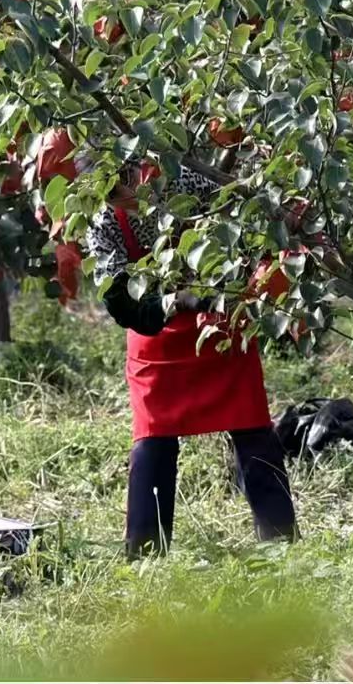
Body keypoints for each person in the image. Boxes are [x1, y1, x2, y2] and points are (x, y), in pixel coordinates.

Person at [85, 160, 297, 557]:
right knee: (153, 444)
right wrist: (172, 300)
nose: (127, 203)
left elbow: (246, 228)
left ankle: (281, 545)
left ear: (141, 172)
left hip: (218, 321)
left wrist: (234, 289)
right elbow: (120, 303)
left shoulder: (188, 181)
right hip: (158, 338)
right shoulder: (103, 224)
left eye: (127, 188)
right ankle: (145, 556)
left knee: (253, 433)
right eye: (115, 197)